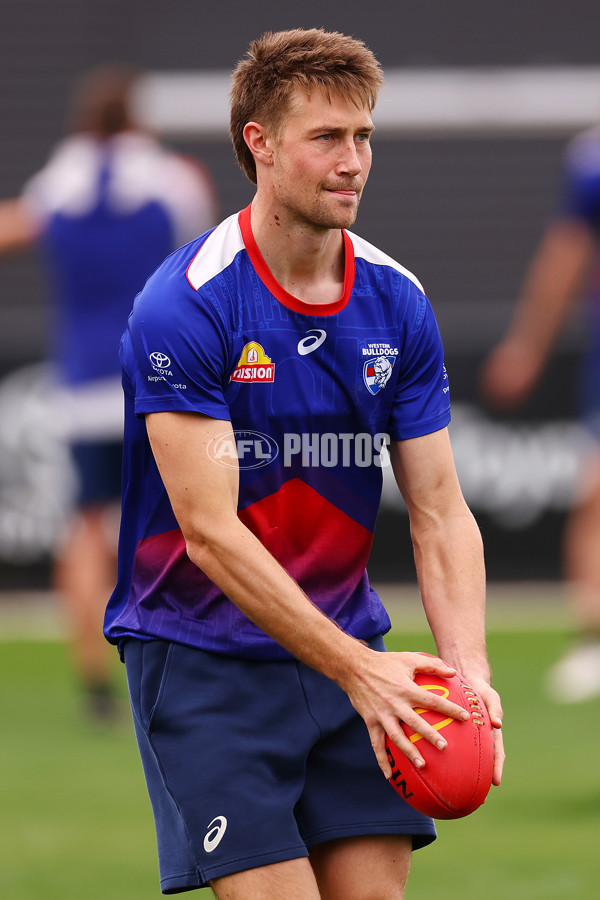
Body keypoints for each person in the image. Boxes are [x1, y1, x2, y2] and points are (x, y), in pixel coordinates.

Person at [105, 29, 504, 898]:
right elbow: (208, 534)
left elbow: (440, 511)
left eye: (363, 137)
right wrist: (361, 671)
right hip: (203, 657)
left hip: (348, 646)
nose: (353, 160)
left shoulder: (396, 302)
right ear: (261, 144)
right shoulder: (187, 306)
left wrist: (467, 673)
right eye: (327, 137)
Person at [0, 63, 218, 721]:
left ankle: (95, 685)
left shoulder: (57, 183)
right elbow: (209, 261)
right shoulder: (174, 178)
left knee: (88, 526)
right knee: (190, 521)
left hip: (83, 382)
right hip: (159, 374)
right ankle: (194, 663)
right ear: (139, 118)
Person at [480, 123, 600, 703]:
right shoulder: (592, 156)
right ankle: (594, 640)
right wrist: (528, 346)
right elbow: (566, 254)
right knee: (596, 491)